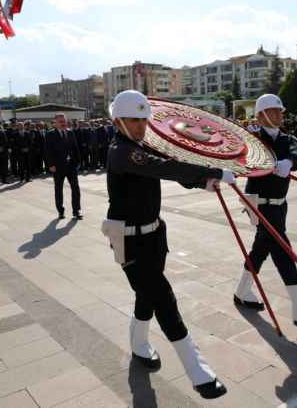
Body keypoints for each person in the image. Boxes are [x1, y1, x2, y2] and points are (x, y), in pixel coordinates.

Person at [104, 90, 232, 399]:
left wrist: (202, 181)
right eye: (134, 120)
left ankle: (138, 346)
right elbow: (160, 168)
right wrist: (213, 171)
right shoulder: (121, 151)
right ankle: (198, 372)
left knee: (146, 296)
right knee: (163, 298)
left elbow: (169, 165)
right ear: (118, 120)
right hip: (129, 240)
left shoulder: (139, 145)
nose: (140, 126)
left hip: (153, 236)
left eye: (143, 119)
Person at [234, 94, 297, 331]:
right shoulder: (252, 139)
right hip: (258, 203)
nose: (278, 115)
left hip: (279, 204)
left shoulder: (289, 138)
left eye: (280, 112)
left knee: (261, 248)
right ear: (261, 115)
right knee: (281, 249)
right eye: (273, 112)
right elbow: (240, 159)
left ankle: (242, 291)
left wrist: (289, 163)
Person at [45, 113, 82, 219]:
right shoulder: (50, 134)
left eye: (64, 121)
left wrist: (78, 162)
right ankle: (60, 211)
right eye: (60, 122)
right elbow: (48, 151)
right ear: (55, 123)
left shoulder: (70, 132)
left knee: (75, 188)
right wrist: (51, 165)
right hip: (58, 167)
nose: (63, 123)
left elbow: (75, 148)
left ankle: (76, 211)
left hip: (71, 166)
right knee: (58, 189)